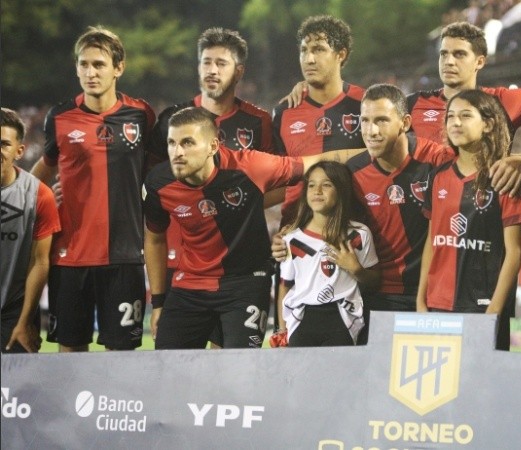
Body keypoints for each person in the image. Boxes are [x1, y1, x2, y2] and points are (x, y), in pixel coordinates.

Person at [270, 84, 521, 345]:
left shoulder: (435, 160)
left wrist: (517, 160)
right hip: (376, 294)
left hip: (433, 295)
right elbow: (321, 205)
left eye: (381, 120)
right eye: (365, 121)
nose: (371, 131)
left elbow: (479, 161)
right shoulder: (352, 173)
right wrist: (288, 235)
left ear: (405, 123)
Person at [143, 107, 360, 349]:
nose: (177, 152)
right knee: (166, 368)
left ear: (213, 146)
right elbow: (154, 239)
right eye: (172, 143)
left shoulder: (250, 167)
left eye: (187, 143)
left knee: (241, 370)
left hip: (245, 283)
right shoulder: (158, 183)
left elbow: (320, 162)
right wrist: (159, 302)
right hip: (191, 284)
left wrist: (373, 152)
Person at [147, 27, 275, 348]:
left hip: (236, 269)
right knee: (175, 366)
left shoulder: (258, 122)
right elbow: (152, 190)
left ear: (239, 71)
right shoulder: (170, 121)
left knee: (225, 366)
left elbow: (277, 184)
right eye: (206, 62)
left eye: (221, 63)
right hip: (183, 267)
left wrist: (240, 205)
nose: (212, 71)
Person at [30, 26, 155, 352]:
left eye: (99, 64)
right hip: (70, 257)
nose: (90, 72)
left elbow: (157, 177)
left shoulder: (140, 115)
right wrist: (44, 200)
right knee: (70, 353)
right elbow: (38, 175)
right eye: (83, 64)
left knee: (122, 356)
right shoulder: (60, 117)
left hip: (124, 257)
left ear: (119, 67)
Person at [416, 90, 521, 351]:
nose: (456, 122)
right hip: (437, 305)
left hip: (483, 306)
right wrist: (421, 301)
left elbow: (514, 253)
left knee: (480, 389)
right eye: (451, 116)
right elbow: (432, 242)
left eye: (466, 115)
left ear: (488, 124)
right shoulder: (437, 177)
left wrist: (494, 311)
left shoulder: (504, 177)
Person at [272, 15, 365, 228]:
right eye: (304, 50)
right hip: (297, 238)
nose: (309, 59)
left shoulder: (366, 104)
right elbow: (277, 182)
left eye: (319, 49)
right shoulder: (283, 112)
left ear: (341, 54)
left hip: (355, 235)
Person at [277, 161, 379, 346]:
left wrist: (356, 270)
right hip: (302, 320)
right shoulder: (292, 239)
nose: (317, 191)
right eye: (311, 185)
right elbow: (285, 286)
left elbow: (375, 280)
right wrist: (282, 330)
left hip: (343, 320)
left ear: (341, 190)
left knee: (338, 375)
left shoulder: (359, 234)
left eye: (326, 185)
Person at [407, 21, 521, 145]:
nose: (448, 62)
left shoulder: (501, 101)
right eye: (444, 54)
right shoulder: (413, 104)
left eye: (459, 54)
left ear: (479, 62)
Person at [1, 108, 61, 353]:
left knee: (16, 391)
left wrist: (25, 321)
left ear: (19, 150)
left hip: (13, 314)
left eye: (4, 144)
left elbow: (40, 262)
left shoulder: (38, 195)